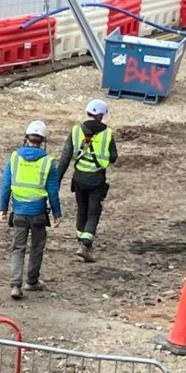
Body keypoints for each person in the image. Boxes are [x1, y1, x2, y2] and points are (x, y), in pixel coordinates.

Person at [0, 120, 63, 299]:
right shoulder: (48, 162)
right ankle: (32, 281)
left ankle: (15, 285)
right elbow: (53, 191)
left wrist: (3, 209)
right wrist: (57, 214)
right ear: (43, 141)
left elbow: (6, 186)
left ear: (26, 138)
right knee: (37, 247)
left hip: (19, 212)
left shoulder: (14, 158)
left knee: (18, 248)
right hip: (38, 214)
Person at [68, 98, 117, 261]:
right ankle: (86, 244)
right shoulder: (107, 133)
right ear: (101, 116)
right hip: (96, 180)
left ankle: (80, 241)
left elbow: (65, 157)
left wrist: (56, 180)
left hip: (79, 179)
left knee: (82, 209)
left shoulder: (76, 131)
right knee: (93, 211)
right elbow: (114, 157)